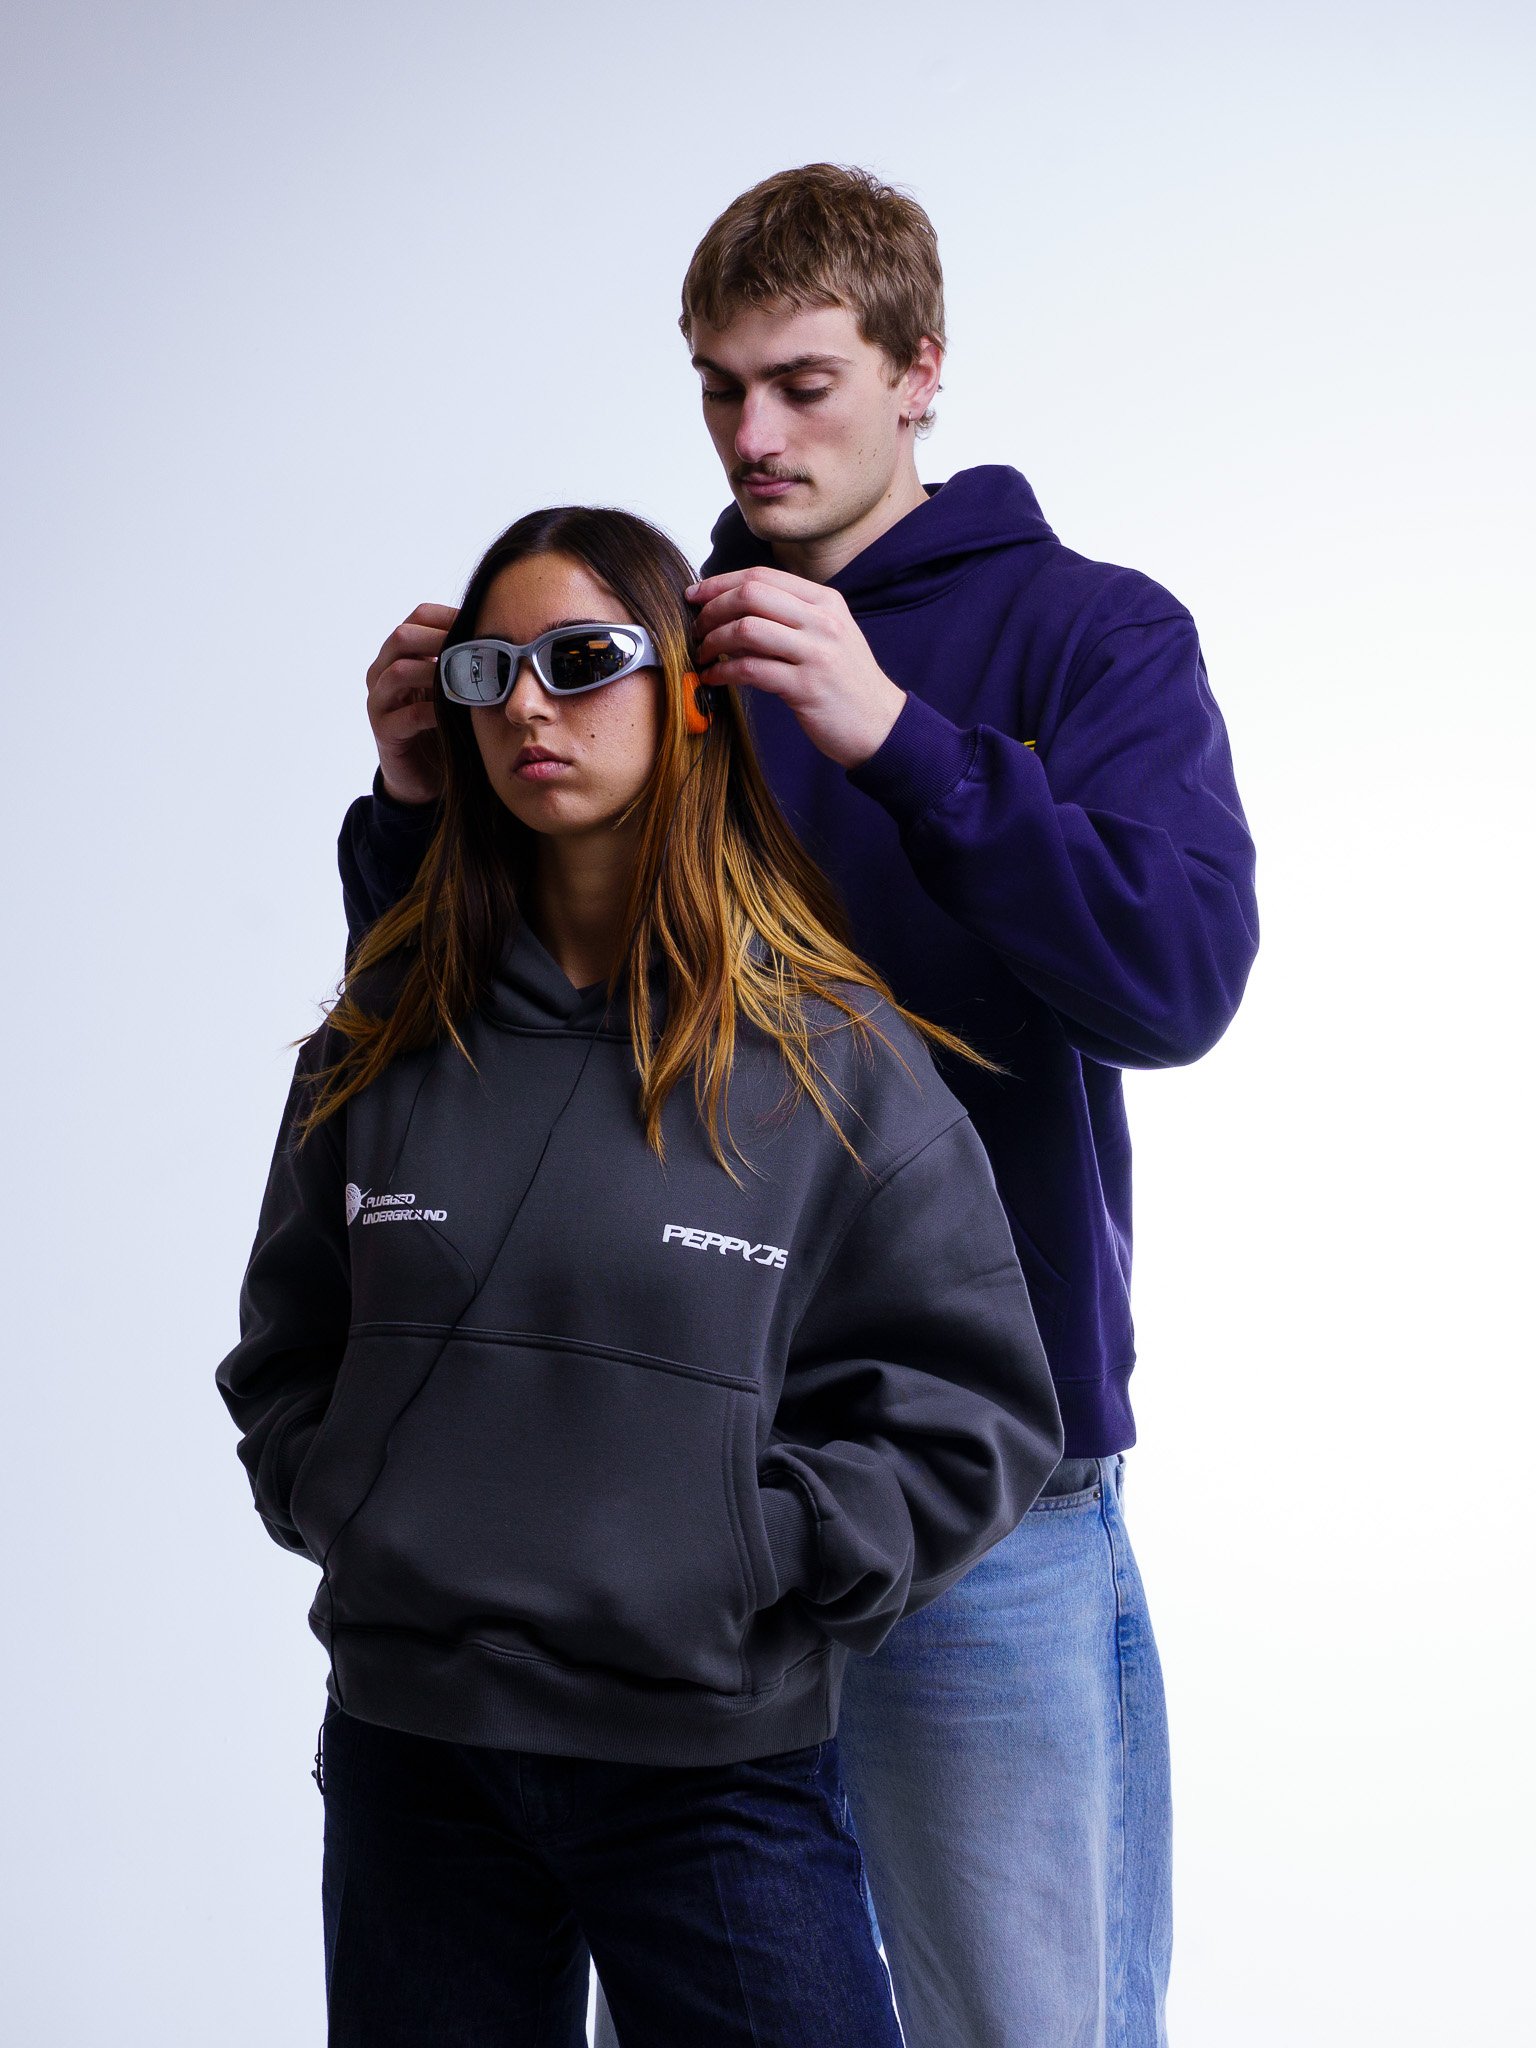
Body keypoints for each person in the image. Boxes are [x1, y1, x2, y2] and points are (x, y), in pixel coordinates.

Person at [337, 167, 1260, 2047]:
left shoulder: (1091, 633)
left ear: (921, 372)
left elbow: (1176, 983)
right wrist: (421, 811)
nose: (753, 435)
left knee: (1024, 2020)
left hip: (979, 1494)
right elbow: (480, 1044)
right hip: (663, 1494)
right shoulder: (648, 651)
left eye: (804, 384)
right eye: (718, 388)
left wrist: (903, 743)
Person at [216, 503, 1063, 2046]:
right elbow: (286, 1352)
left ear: (688, 691)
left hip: (709, 1776)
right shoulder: (383, 1038)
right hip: (416, 1758)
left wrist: (758, 1553)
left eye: (583, 659)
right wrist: (359, 1505)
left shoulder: (829, 1057)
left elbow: (975, 1409)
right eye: (488, 671)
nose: (528, 706)